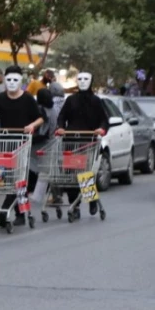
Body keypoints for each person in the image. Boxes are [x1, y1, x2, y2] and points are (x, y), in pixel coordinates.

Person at [0, 65, 45, 228]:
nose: (11, 83)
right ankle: (11, 210)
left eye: (15, 80)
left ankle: (12, 212)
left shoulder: (27, 99)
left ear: (21, 81)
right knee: (1, 179)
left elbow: (40, 118)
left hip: (22, 144)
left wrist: (32, 126)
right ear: (4, 81)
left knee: (17, 179)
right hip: (4, 144)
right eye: (8, 80)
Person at [56, 71, 109, 216]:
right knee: (70, 174)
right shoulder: (70, 100)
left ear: (91, 81)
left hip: (88, 142)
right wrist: (60, 128)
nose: (83, 81)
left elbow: (104, 120)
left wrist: (101, 129)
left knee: (85, 174)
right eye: (80, 79)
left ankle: (91, 200)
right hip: (71, 141)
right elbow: (61, 117)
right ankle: (75, 205)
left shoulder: (96, 101)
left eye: (86, 79)